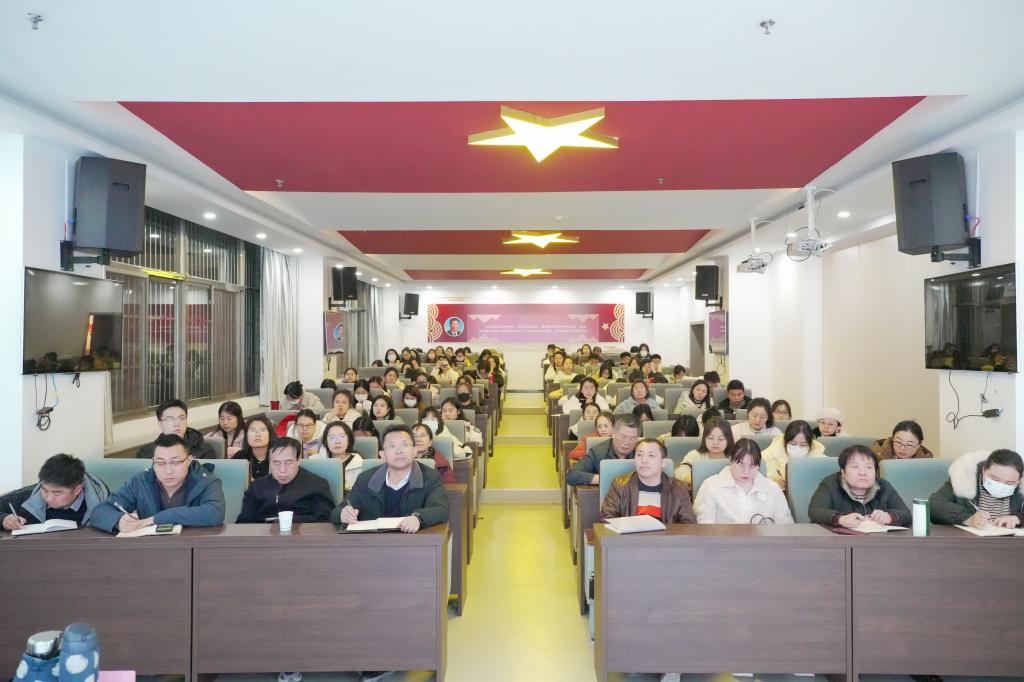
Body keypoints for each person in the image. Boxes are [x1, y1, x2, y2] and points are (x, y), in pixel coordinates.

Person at [91, 433, 226, 533]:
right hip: (151, 551)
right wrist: (118, 522)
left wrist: (154, 519)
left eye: (175, 462)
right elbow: (100, 511)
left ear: (189, 460)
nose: (168, 470)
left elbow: (214, 513)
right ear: (153, 462)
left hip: (194, 547)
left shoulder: (205, 481)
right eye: (160, 463)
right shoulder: (141, 481)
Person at [331, 425, 449, 532]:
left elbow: (440, 509)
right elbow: (336, 512)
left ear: (414, 451)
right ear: (382, 455)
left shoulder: (430, 477)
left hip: (412, 544)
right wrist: (343, 514)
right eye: (392, 446)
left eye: (404, 445)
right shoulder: (365, 479)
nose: (399, 451)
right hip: (373, 544)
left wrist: (418, 518)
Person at [693, 439, 794, 524]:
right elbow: (704, 528)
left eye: (752, 466)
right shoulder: (711, 486)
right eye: (740, 465)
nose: (746, 471)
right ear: (731, 461)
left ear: (758, 466)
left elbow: (786, 527)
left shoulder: (773, 489)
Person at [808, 445, 911, 528]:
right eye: (855, 467)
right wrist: (840, 519)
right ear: (843, 472)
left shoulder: (884, 486)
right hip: (838, 542)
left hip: (876, 542)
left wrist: (889, 517)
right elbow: (815, 511)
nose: (862, 473)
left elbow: (906, 514)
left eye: (869, 467)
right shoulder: (830, 484)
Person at [236, 437, 334, 523]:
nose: (282, 470)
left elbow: (325, 522)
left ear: (298, 461)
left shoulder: (317, 484)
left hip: (304, 535)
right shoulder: (256, 487)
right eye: (276, 463)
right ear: (269, 462)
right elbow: (244, 523)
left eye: (288, 462)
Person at [1, 454, 110, 530]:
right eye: (45, 490)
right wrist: (4, 519)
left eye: (57, 493)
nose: (48, 498)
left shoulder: (102, 501)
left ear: (77, 490)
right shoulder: (29, 495)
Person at [600, 439, 696, 523]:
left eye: (651, 455)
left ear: (663, 462)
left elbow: (688, 524)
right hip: (629, 537)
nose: (644, 460)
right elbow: (606, 520)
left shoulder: (678, 489)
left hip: (665, 538)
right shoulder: (619, 485)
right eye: (639, 455)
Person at [930, 449, 1024, 528]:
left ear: (1019, 480)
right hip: (970, 541)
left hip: (1010, 542)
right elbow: (933, 506)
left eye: (1009, 483)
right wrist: (968, 519)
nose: (1001, 485)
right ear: (984, 470)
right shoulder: (964, 479)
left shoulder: (1021, 489)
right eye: (995, 479)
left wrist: (1018, 518)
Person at [567, 414, 641, 486]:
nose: (627, 442)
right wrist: (604, 479)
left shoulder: (642, 451)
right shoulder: (598, 452)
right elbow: (572, 475)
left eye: (632, 438)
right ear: (613, 434)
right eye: (623, 437)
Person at [135, 399, 215, 460]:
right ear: (160, 424)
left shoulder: (204, 450)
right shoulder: (146, 453)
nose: (177, 424)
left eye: (181, 418)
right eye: (170, 419)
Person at [761, 420, 826, 489]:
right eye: (793, 444)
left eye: (803, 445)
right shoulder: (768, 455)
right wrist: (775, 483)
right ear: (785, 441)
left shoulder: (819, 458)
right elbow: (761, 480)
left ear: (810, 445)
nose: (797, 448)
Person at [675, 417, 734, 486]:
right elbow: (679, 471)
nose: (715, 442)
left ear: (728, 440)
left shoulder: (735, 457)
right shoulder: (695, 455)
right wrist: (694, 480)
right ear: (704, 438)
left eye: (720, 439)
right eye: (710, 438)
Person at [313, 421, 363, 490]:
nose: (337, 441)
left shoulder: (360, 465)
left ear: (349, 440)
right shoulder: (315, 462)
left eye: (342, 437)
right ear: (326, 441)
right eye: (332, 438)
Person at [232, 415, 275, 480]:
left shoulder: (278, 457)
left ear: (270, 435)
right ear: (246, 436)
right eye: (253, 430)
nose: (257, 434)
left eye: (262, 430)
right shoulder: (240, 457)